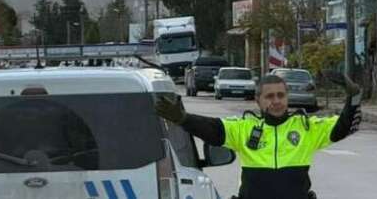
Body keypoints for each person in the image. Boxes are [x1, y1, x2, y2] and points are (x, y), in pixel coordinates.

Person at [155, 71, 362, 199]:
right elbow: (212, 128)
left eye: (281, 95)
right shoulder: (245, 128)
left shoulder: (306, 127)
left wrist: (353, 97)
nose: (276, 101)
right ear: (258, 101)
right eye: (269, 96)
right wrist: (182, 118)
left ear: (287, 98)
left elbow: (345, 126)